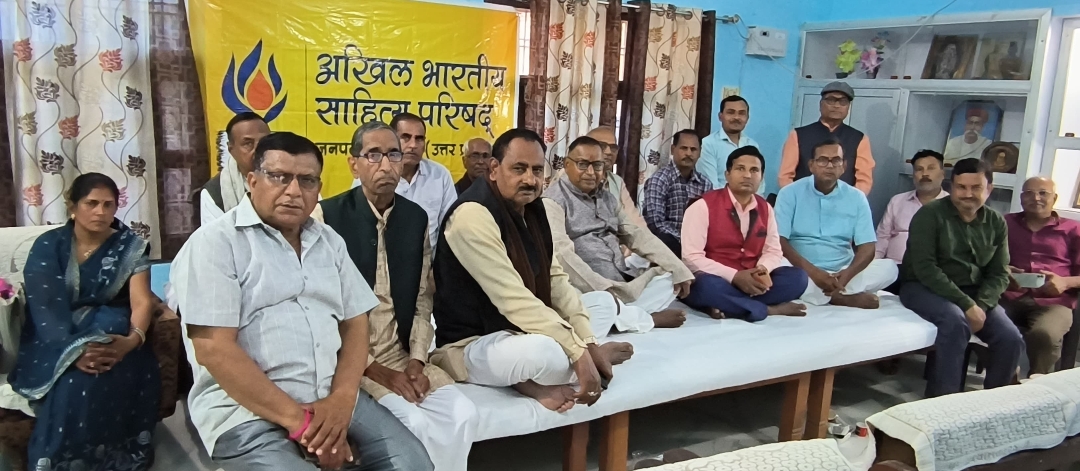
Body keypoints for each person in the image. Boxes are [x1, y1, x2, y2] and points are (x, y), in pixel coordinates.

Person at [172, 132, 432, 471]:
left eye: (307, 180)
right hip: (245, 410)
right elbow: (213, 349)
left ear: (318, 187)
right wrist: (306, 427)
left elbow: (356, 324)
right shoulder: (215, 244)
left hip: (331, 396)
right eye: (279, 177)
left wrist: (341, 400)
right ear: (252, 180)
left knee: (413, 463)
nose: (294, 191)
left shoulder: (328, 241)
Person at [431, 128, 634, 413]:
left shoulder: (534, 208)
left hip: (525, 325)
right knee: (543, 353)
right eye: (519, 169)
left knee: (601, 303)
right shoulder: (472, 215)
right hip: (475, 342)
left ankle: (588, 356)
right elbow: (512, 298)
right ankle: (576, 365)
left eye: (537, 170)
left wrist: (587, 341)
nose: (530, 179)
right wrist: (577, 350)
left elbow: (556, 280)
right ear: (493, 169)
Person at [317, 122, 478, 471]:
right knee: (414, 423)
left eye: (393, 154)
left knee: (464, 414)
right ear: (353, 164)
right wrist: (378, 372)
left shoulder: (415, 218)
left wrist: (417, 360)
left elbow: (422, 297)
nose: (386, 165)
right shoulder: (326, 217)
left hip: (403, 353)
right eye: (373, 155)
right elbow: (321, 314)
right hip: (352, 362)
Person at [11, 173, 159, 471]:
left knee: (117, 365)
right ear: (73, 206)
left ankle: (119, 458)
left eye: (108, 204)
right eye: (91, 203)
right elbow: (45, 306)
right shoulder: (48, 245)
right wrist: (74, 351)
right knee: (74, 380)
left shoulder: (130, 246)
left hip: (113, 335)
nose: (100, 212)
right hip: (54, 334)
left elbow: (142, 301)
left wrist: (132, 341)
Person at [900, 158, 1023, 397]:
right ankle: (942, 402)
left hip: (975, 292)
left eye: (976, 187)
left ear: (989, 189)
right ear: (952, 187)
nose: (968, 194)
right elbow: (926, 268)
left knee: (1011, 338)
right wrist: (967, 305)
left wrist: (981, 306)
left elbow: (999, 272)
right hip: (923, 287)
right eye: (961, 187)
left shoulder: (996, 221)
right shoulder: (930, 214)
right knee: (956, 322)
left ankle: (995, 403)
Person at [545, 136, 693, 331]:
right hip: (586, 285)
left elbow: (636, 234)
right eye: (582, 164)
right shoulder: (552, 201)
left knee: (670, 276)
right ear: (567, 164)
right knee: (591, 300)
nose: (591, 172)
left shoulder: (607, 197)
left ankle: (620, 315)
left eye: (597, 166)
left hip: (619, 280)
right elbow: (561, 254)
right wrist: (601, 287)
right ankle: (643, 318)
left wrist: (679, 268)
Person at [682, 146, 809, 322]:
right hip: (717, 279)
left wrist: (762, 270)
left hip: (752, 277)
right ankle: (767, 309)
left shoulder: (765, 208)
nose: (747, 175)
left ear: (761, 177)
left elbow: (773, 250)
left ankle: (730, 305)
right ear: (727, 174)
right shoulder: (702, 206)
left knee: (798, 278)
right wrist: (735, 276)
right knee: (705, 286)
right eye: (740, 169)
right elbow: (691, 257)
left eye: (754, 170)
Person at [776, 138, 897, 309]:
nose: (829, 166)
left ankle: (828, 293)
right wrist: (814, 273)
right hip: (802, 269)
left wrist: (847, 275)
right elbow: (779, 241)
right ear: (811, 165)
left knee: (890, 268)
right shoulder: (789, 193)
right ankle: (839, 297)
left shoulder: (856, 197)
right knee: (777, 265)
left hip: (842, 269)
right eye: (822, 160)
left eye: (836, 160)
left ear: (844, 166)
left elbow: (868, 247)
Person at [1003, 176, 1080, 377]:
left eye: (1043, 193)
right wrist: (1004, 270)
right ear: (1021, 198)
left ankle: (1037, 381)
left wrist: (1065, 282)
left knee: (1044, 334)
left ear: (1055, 198)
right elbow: (985, 258)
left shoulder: (1073, 229)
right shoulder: (1005, 223)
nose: (1035, 198)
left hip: (1054, 301)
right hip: (1008, 295)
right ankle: (1007, 378)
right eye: (1029, 193)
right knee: (987, 323)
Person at [353, 112, 456, 252]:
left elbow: (450, 226)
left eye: (419, 139)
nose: (413, 145)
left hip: (427, 258)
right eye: (405, 137)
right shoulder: (371, 174)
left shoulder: (440, 175)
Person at [779, 82, 875, 194]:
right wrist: (796, 198)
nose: (837, 105)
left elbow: (864, 180)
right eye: (831, 100)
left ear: (848, 107)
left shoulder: (859, 139)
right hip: (803, 199)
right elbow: (785, 176)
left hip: (843, 201)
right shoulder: (797, 135)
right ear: (820, 104)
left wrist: (850, 200)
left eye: (843, 101)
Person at [875, 150, 949, 293]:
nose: (925, 174)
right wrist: (872, 266)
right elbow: (882, 237)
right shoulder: (897, 201)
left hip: (932, 274)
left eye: (931, 168)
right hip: (893, 270)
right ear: (913, 175)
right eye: (919, 169)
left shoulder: (952, 206)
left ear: (942, 174)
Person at [642, 129, 713, 256]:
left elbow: (709, 222)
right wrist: (684, 241)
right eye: (684, 148)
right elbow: (655, 223)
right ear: (673, 149)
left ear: (700, 152)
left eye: (693, 149)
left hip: (698, 246)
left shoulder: (705, 184)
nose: (688, 153)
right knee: (663, 239)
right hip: (669, 245)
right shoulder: (659, 180)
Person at [200, 112, 271, 225]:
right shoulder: (214, 193)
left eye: (264, 142)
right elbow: (214, 235)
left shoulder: (290, 179)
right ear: (231, 149)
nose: (258, 149)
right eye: (248, 143)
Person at [699, 95, 763, 193]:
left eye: (741, 113)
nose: (736, 117)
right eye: (731, 112)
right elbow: (710, 185)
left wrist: (755, 201)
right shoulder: (708, 144)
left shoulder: (753, 145)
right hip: (720, 201)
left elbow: (759, 183)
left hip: (750, 200)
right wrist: (735, 200)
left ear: (747, 118)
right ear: (720, 116)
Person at [585, 126, 647, 228]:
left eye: (613, 148)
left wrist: (645, 237)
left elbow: (634, 220)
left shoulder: (617, 181)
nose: (609, 152)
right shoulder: (570, 177)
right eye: (602, 146)